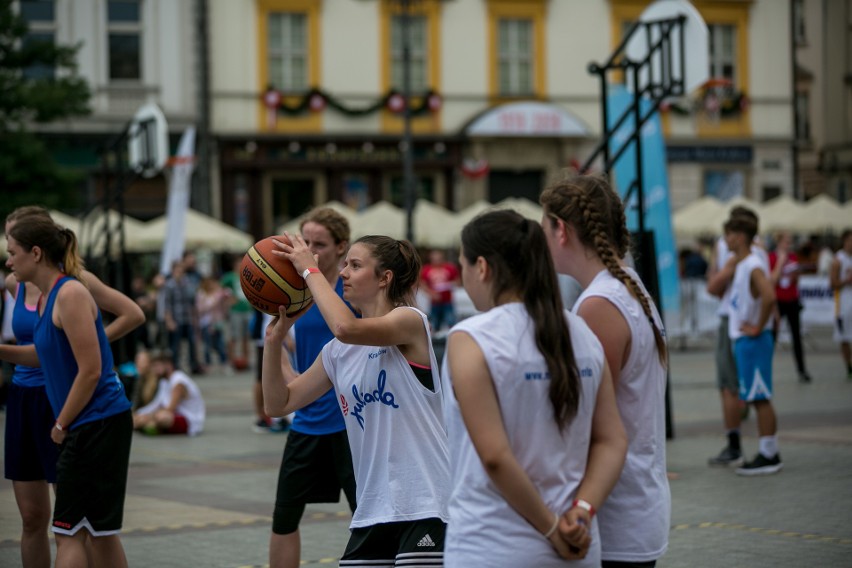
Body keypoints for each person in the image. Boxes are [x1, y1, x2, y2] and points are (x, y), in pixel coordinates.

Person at [442, 210, 628, 567]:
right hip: (580, 544)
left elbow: (495, 456)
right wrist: (582, 511)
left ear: (481, 267)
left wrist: (552, 530)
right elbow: (612, 439)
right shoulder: (582, 333)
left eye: (463, 265)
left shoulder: (472, 337)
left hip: (493, 543)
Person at [262, 233, 450, 567]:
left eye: (355, 265)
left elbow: (345, 327)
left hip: (425, 502)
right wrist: (274, 341)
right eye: (345, 264)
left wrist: (309, 270)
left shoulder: (409, 321)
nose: (344, 273)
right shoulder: (338, 353)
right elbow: (279, 404)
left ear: (384, 279)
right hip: (373, 510)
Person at [541, 174, 671, 567]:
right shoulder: (624, 287)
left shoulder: (599, 304)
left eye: (544, 227)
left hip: (612, 513)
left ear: (561, 230)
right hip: (631, 502)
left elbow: (590, 420)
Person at [3, 206, 143, 568]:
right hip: (86, 422)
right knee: (96, 531)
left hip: (95, 423)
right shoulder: (49, 297)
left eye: (12, 252)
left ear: (36, 253)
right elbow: (42, 354)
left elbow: (91, 370)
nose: (8, 261)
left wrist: (61, 423)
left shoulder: (71, 293)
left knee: (69, 532)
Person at [269, 207, 357, 568]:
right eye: (306, 243)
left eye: (320, 244)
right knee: (283, 519)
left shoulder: (350, 290)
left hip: (349, 425)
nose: (311, 251)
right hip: (306, 420)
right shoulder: (296, 291)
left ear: (342, 247)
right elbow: (279, 345)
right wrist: (289, 375)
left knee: (368, 518)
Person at [709, 216, 782, 475]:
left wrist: (757, 326)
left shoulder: (752, 264)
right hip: (743, 340)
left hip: (752, 340)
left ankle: (769, 454)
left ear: (740, 236)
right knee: (754, 396)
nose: (725, 240)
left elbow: (770, 296)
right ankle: (767, 451)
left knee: (760, 397)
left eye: (729, 234)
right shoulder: (741, 264)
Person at [769, 231, 812, 383]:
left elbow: (795, 280)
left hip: (792, 299)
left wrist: (795, 275)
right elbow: (771, 280)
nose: (788, 245)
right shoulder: (772, 257)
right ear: (779, 242)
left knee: (796, 336)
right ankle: (766, 368)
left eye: (790, 242)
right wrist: (781, 263)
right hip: (778, 301)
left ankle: (801, 370)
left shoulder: (793, 257)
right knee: (772, 336)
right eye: (786, 242)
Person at [133, 348, 206, 436]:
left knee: (161, 418)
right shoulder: (164, 381)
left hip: (188, 420)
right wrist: (139, 414)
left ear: (167, 365)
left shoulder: (179, 380)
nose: (154, 369)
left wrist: (148, 416)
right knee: (139, 418)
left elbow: (171, 408)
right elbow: (156, 403)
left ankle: (151, 426)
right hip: (173, 415)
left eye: (157, 366)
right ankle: (151, 426)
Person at [162, 260, 203, 374]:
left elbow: (192, 300)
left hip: (188, 318)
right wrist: (169, 320)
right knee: (175, 344)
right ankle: (175, 366)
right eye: (177, 270)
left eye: (181, 270)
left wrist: (195, 318)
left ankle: (193, 365)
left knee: (192, 342)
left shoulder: (187, 283)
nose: (180, 272)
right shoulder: (169, 285)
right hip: (176, 318)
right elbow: (167, 304)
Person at [221, 255, 253, 368]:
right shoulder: (229, 277)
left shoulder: (247, 275)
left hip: (247, 309)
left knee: (246, 337)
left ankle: (246, 361)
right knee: (234, 337)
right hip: (235, 310)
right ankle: (231, 361)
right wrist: (229, 299)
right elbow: (222, 290)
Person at [830, 229, 852, 380]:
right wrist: (846, 280)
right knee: (844, 337)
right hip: (843, 304)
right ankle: (848, 366)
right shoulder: (838, 259)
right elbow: (832, 283)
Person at [420, 249, 459, 331]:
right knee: (435, 323)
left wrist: (449, 285)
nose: (437, 261)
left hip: (447, 301)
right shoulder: (426, 269)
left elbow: (457, 281)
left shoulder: (449, 268)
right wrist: (432, 294)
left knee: (451, 322)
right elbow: (423, 285)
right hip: (435, 302)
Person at [196, 276, 230, 371]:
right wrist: (214, 302)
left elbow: (224, 306)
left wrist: (223, 298)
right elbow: (200, 309)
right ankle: (208, 364)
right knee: (207, 344)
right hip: (206, 323)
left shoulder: (218, 293)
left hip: (217, 322)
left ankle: (224, 363)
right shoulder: (202, 294)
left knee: (220, 343)